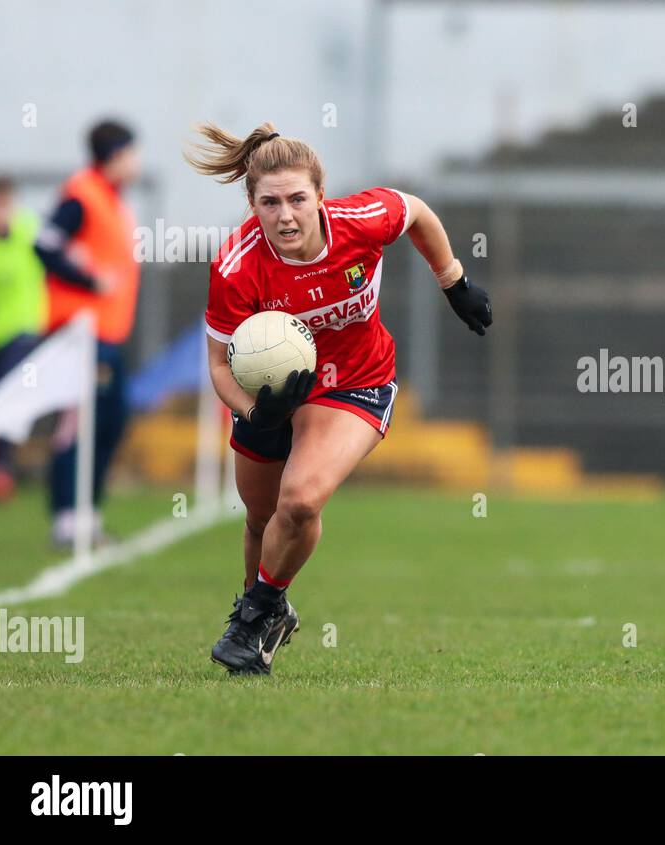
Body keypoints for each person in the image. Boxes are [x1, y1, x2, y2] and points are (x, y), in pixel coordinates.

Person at [187, 122, 492, 675]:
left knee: (299, 501)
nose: (286, 216)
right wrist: (257, 412)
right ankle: (267, 616)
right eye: (270, 202)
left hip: (357, 381)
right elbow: (216, 365)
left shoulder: (360, 222)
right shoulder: (236, 267)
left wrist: (453, 281)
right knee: (260, 517)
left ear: (320, 196)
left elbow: (416, 209)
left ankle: (253, 615)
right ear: (252, 203)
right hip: (270, 396)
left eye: (298, 199)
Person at [35, 119, 142, 546]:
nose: (136, 162)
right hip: (81, 334)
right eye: (132, 153)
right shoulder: (82, 195)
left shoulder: (114, 199)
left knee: (110, 420)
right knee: (79, 423)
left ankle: (86, 511)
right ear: (116, 154)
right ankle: (67, 516)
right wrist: (88, 281)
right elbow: (44, 245)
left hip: (108, 335)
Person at [0, 176, 47, 501]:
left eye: (5, 204)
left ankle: (2, 468)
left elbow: (59, 257)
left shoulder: (29, 231)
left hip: (19, 334)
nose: (0, 212)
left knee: (8, 396)